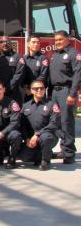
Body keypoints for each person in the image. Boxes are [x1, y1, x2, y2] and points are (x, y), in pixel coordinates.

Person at [48, 30, 80, 164]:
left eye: (60, 39)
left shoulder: (74, 54)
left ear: (67, 39)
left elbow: (78, 75)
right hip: (55, 92)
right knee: (57, 121)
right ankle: (64, 147)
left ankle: (69, 153)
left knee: (67, 122)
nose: (58, 42)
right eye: (56, 40)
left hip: (66, 92)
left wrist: (72, 94)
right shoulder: (55, 55)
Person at [20, 80, 60, 170]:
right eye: (36, 88)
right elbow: (22, 125)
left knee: (46, 137)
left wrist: (38, 134)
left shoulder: (51, 104)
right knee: (25, 157)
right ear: (31, 90)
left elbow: (54, 124)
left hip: (47, 136)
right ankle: (41, 154)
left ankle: (45, 161)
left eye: (42, 88)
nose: (39, 90)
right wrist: (26, 138)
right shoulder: (26, 106)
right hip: (31, 140)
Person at [0, 36, 26, 104]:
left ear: (11, 44)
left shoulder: (18, 57)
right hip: (0, 92)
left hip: (14, 92)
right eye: (2, 42)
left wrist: (8, 87)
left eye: (7, 42)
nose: (5, 44)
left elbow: (19, 74)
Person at [22, 35, 49, 101]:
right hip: (26, 92)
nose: (36, 44)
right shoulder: (24, 58)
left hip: (38, 92)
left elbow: (43, 76)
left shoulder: (43, 59)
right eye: (33, 42)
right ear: (28, 44)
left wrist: (33, 89)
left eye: (38, 42)